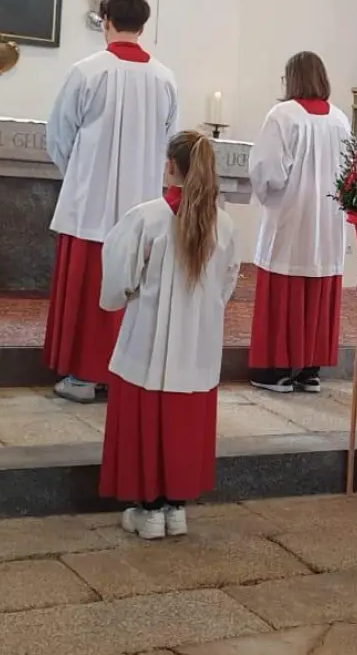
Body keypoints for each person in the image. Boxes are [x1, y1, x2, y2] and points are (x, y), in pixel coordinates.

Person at [99, 131, 239, 540]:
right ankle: (175, 510)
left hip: (148, 344)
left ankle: (149, 511)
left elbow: (118, 280)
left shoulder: (147, 218)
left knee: (147, 423)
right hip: (197, 346)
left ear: (171, 167)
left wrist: (119, 300)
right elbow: (227, 284)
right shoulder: (225, 225)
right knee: (184, 426)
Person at [44, 0, 179, 404]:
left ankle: (83, 376)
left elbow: (59, 135)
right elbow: (172, 143)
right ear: (143, 24)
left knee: (88, 291)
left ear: (105, 20)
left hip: (91, 205)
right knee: (131, 289)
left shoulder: (88, 71)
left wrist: (81, 178)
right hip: (141, 207)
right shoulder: (165, 78)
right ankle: (120, 375)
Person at [248, 52, 352, 394]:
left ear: (290, 79)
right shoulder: (339, 119)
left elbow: (267, 171)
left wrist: (268, 196)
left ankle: (275, 370)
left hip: (291, 215)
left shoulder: (283, 115)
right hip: (328, 217)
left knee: (284, 287)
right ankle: (309, 369)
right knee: (318, 286)